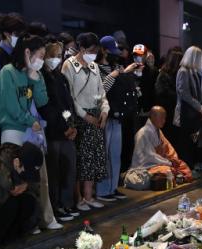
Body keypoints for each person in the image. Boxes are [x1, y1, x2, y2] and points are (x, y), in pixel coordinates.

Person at [0, 34, 61, 231]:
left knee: (40, 177)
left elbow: (41, 101)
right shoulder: (8, 73)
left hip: (34, 131)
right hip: (14, 130)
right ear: (27, 52)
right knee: (19, 179)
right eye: (39, 55)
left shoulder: (32, 74)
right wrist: (31, 121)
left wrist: (36, 78)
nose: (41, 60)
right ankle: (26, 223)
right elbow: (11, 107)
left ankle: (44, 218)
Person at [61, 32, 110, 211]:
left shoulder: (94, 67)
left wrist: (104, 111)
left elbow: (101, 92)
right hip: (80, 118)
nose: (94, 53)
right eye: (91, 50)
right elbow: (70, 96)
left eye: (96, 51)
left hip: (95, 116)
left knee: (94, 159)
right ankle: (79, 198)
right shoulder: (69, 65)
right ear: (81, 48)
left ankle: (89, 196)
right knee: (81, 160)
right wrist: (83, 115)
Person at [40, 39, 80, 222]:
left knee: (69, 169)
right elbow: (48, 107)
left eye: (59, 56)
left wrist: (71, 125)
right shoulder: (42, 77)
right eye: (53, 56)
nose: (56, 59)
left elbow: (67, 104)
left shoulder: (60, 77)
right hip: (52, 132)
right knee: (55, 171)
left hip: (66, 130)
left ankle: (66, 203)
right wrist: (63, 126)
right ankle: (55, 207)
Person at [96, 35, 136, 202]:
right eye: (110, 51)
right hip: (105, 115)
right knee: (104, 154)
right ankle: (102, 190)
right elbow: (101, 89)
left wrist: (124, 73)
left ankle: (113, 187)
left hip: (118, 114)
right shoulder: (96, 67)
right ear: (103, 50)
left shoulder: (116, 65)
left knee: (115, 153)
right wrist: (114, 75)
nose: (114, 54)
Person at [128, 106, 192, 182]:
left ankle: (177, 177)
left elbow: (168, 148)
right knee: (168, 171)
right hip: (146, 166)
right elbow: (150, 157)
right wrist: (168, 162)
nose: (164, 121)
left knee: (182, 165)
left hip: (159, 162)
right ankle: (176, 178)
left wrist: (173, 159)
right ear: (153, 117)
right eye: (161, 118)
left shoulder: (158, 131)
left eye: (164, 118)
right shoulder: (143, 134)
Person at [174, 45, 202, 168]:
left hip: (194, 113)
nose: (201, 61)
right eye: (199, 58)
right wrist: (200, 107)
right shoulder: (183, 71)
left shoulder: (193, 71)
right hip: (186, 113)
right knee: (186, 143)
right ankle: (186, 169)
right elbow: (184, 94)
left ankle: (191, 167)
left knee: (193, 141)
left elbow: (200, 93)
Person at [155, 49, 182, 145]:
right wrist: (178, 96)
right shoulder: (164, 75)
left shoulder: (178, 74)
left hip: (175, 112)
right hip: (167, 112)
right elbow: (161, 92)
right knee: (168, 139)